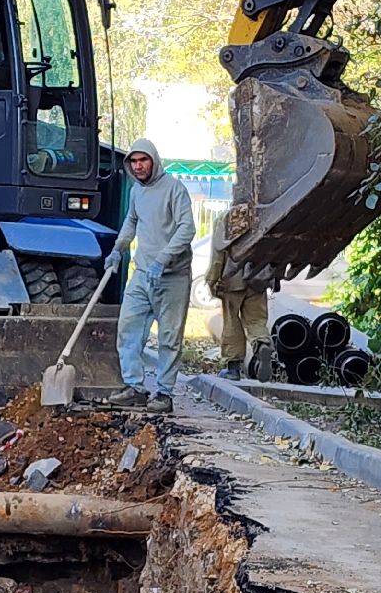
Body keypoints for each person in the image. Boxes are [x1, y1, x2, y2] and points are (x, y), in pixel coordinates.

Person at [105, 138, 194, 413]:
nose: (138, 166)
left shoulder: (174, 188)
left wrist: (163, 259)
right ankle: (135, 387)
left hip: (172, 277)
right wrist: (119, 248)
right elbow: (131, 221)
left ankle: (164, 394)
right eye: (134, 161)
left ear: (153, 161)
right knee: (128, 329)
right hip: (142, 274)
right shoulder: (136, 192)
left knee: (169, 337)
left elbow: (187, 228)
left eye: (143, 160)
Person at [206, 217, 272, 379]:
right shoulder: (263, 215)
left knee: (231, 323)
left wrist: (212, 280)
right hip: (258, 277)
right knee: (256, 320)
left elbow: (218, 252)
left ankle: (233, 369)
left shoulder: (227, 219)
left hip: (232, 279)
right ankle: (262, 344)